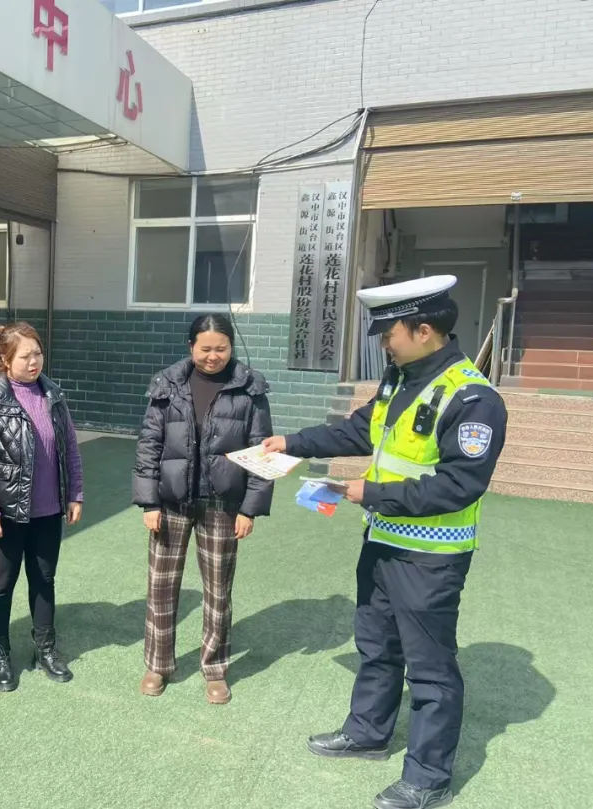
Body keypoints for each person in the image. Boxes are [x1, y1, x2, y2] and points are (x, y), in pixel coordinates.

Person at [262, 276, 508, 809]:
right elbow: (360, 431)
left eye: (388, 333)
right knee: (376, 645)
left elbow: (459, 484)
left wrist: (370, 492)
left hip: (431, 557)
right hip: (381, 541)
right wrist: (294, 443)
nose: (382, 344)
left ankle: (428, 778)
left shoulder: (473, 398)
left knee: (430, 668)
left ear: (424, 330)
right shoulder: (400, 378)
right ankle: (368, 733)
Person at [132, 313, 274, 705]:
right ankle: (158, 665)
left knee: (218, 591)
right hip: (171, 503)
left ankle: (215, 669)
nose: (213, 356)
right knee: (161, 587)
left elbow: (262, 450)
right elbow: (149, 444)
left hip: (223, 505)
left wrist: (249, 508)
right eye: (205, 348)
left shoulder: (249, 388)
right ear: (191, 346)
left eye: (221, 349)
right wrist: (149, 501)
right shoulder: (167, 384)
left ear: (231, 347)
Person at [0, 322, 84, 692]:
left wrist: (74, 493)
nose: (34, 362)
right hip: (6, 514)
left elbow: (70, 448)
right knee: (2, 585)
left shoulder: (53, 396)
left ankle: (45, 648)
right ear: (5, 360)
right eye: (25, 356)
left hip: (48, 511)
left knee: (44, 580)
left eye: (38, 354)